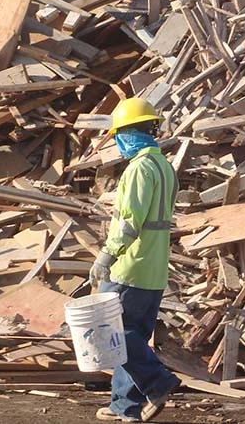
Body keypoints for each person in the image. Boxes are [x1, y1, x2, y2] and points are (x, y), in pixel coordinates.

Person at [90, 97, 180, 422]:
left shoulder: (139, 168)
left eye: (118, 134)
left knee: (111, 333)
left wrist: (106, 254)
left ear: (128, 133)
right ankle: (124, 407)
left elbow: (130, 220)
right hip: (154, 270)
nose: (116, 142)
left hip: (129, 266)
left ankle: (158, 383)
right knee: (132, 337)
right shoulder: (164, 166)